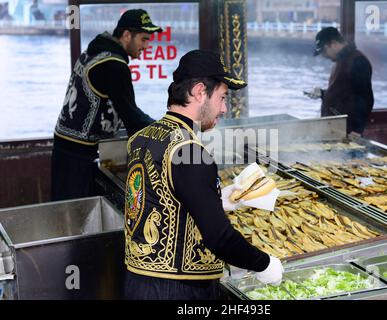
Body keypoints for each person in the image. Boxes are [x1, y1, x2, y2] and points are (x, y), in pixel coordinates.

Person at [123, 49, 283, 300]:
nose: (224, 108)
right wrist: (264, 264)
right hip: (179, 290)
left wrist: (216, 200)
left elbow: (161, 199)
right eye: (222, 97)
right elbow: (220, 238)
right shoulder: (189, 151)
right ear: (199, 92)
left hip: (136, 283)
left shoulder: (140, 138)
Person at [51, 9, 162, 201]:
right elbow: (131, 116)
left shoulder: (96, 50)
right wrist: (166, 130)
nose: (146, 46)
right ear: (127, 35)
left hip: (64, 145)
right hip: (78, 154)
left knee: (65, 211)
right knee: (77, 213)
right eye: (143, 39)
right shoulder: (114, 65)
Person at [305, 27, 374, 135]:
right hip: (335, 129)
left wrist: (357, 130)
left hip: (348, 131)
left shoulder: (357, 61)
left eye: (324, 50)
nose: (324, 55)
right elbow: (343, 93)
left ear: (333, 43)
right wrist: (323, 93)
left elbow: (365, 98)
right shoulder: (340, 61)